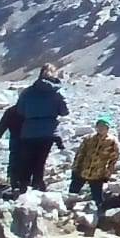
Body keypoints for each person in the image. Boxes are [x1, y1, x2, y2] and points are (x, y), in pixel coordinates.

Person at [15, 64, 69, 192]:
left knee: (27, 160)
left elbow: (20, 111)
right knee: (40, 161)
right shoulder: (57, 92)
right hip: (48, 132)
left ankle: (23, 186)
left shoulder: (27, 92)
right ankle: (37, 186)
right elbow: (64, 111)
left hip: (29, 131)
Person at [71, 116, 119, 212]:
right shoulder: (89, 138)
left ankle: (99, 214)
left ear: (108, 128)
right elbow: (80, 153)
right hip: (83, 170)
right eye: (99, 126)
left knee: (97, 196)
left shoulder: (112, 141)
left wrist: (107, 174)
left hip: (98, 174)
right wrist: (75, 168)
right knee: (72, 192)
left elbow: (113, 159)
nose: (101, 128)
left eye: (103, 127)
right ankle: (67, 210)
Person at [0, 104, 29, 190]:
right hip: (31, 139)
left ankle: (14, 183)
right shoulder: (33, 109)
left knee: (15, 159)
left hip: (16, 138)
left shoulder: (11, 111)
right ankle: (27, 184)